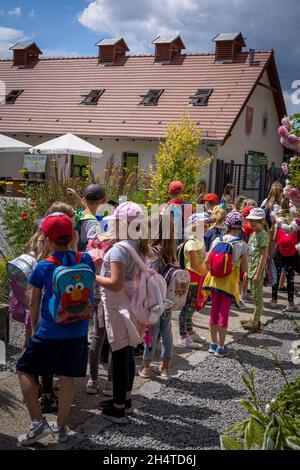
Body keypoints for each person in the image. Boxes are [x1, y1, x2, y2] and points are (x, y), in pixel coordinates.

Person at [16, 213, 95, 445]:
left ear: (47, 240)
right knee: (68, 377)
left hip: (50, 331)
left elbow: (34, 303)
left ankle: (37, 423)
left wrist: (34, 331)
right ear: (72, 236)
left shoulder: (43, 267)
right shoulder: (86, 259)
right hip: (79, 330)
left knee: (24, 368)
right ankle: (61, 429)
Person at [96, 202, 150, 424]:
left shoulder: (118, 249)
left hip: (117, 304)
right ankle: (126, 400)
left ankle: (118, 408)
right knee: (126, 351)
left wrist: (93, 275)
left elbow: (115, 284)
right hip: (132, 303)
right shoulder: (138, 245)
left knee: (118, 354)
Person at [202, 211, 248, 358]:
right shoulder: (242, 245)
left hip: (214, 281)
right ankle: (221, 347)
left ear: (227, 225)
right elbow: (244, 269)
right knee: (224, 313)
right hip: (229, 284)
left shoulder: (217, 240)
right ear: (240, 227)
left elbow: (207, 261)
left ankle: (212, 343)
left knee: (214, 311)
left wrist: (214, 272)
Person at [139, 213, 177, 379]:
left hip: (155, 300)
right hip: (168, 299)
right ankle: (165, 367)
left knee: (151, 332)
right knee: (167, 331)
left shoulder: (153, 251)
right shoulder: (171, 250)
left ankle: (146, 367)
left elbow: (149, 274)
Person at [178, 213, 209, 349]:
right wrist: (208, 274)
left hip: (199, 278)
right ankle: (183, 337)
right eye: (203, 225)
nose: (206, 227)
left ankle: (190, 331)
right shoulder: (191, 242)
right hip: (192, 279)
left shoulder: (199, 240)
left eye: (207, 225)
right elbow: (195, 264)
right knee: (187, 308)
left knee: (192, 307)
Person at [241, 208, 269, 332]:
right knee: (253, 294)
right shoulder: (252, 234)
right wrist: (247, 271)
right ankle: (253, 318)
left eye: (255, 221)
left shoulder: (263, 235)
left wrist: (258, 273)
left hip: (257, 271)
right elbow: (249, 254)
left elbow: (263, 256)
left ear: (262, 221)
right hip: (251, 269)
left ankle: (256, 322)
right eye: (250, 220)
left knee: (257, 297)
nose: (251, 223)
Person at [270, 199, 299, 313]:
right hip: (292, 252)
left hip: (279, 251)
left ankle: (273, 300)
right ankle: (291, 303)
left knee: (276, 275)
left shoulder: (279, 217)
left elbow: (275, 237)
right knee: (290, 278)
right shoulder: (295, 220)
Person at [70, 184, 106, 250]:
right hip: (81, 259)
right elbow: (94, 249)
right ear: (104, 201)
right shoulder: (93, 223)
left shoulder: (76, 215)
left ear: (83, 200)